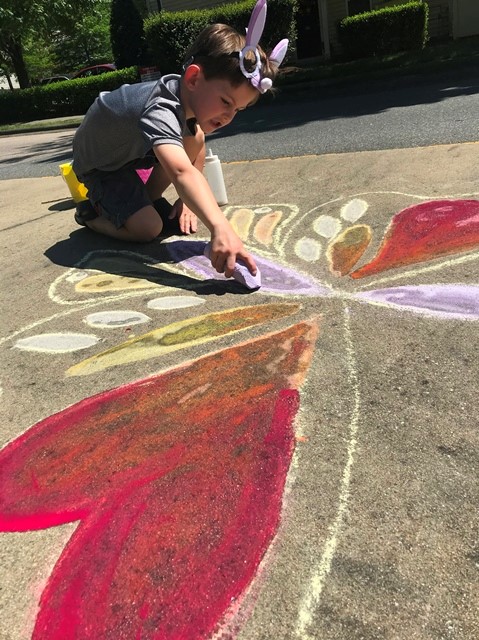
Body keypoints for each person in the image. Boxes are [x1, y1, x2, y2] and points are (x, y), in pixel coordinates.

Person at [72, 0, 287, 278]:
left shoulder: (186, 100)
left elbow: (195, 145)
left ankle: (138, 201)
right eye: (225, 101)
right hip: (103, 168)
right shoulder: (161, 106)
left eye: (238, 109)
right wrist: (221, 227)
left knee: (195, 136)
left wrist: (187, 201)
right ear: (194, 79)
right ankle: (91, 216)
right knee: (149, 228)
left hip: (132, 152)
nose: (229, 115)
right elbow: (181, 170)